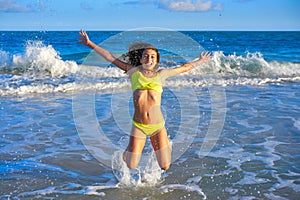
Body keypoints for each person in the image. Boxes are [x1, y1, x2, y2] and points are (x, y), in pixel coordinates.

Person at [78, 30, 211, 170]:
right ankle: (128, 150)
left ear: (157, 61)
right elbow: (110, 58)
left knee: (165, 166)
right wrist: (90, 43)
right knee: (131, 165)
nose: (149, 59)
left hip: (157, 126)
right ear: (141, 60)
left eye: (153, 57)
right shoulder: (133, 72)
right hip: (139, 126)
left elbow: (183, 68)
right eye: (146, 56)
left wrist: (200, 61)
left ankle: (165, 142)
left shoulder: (162, 74)